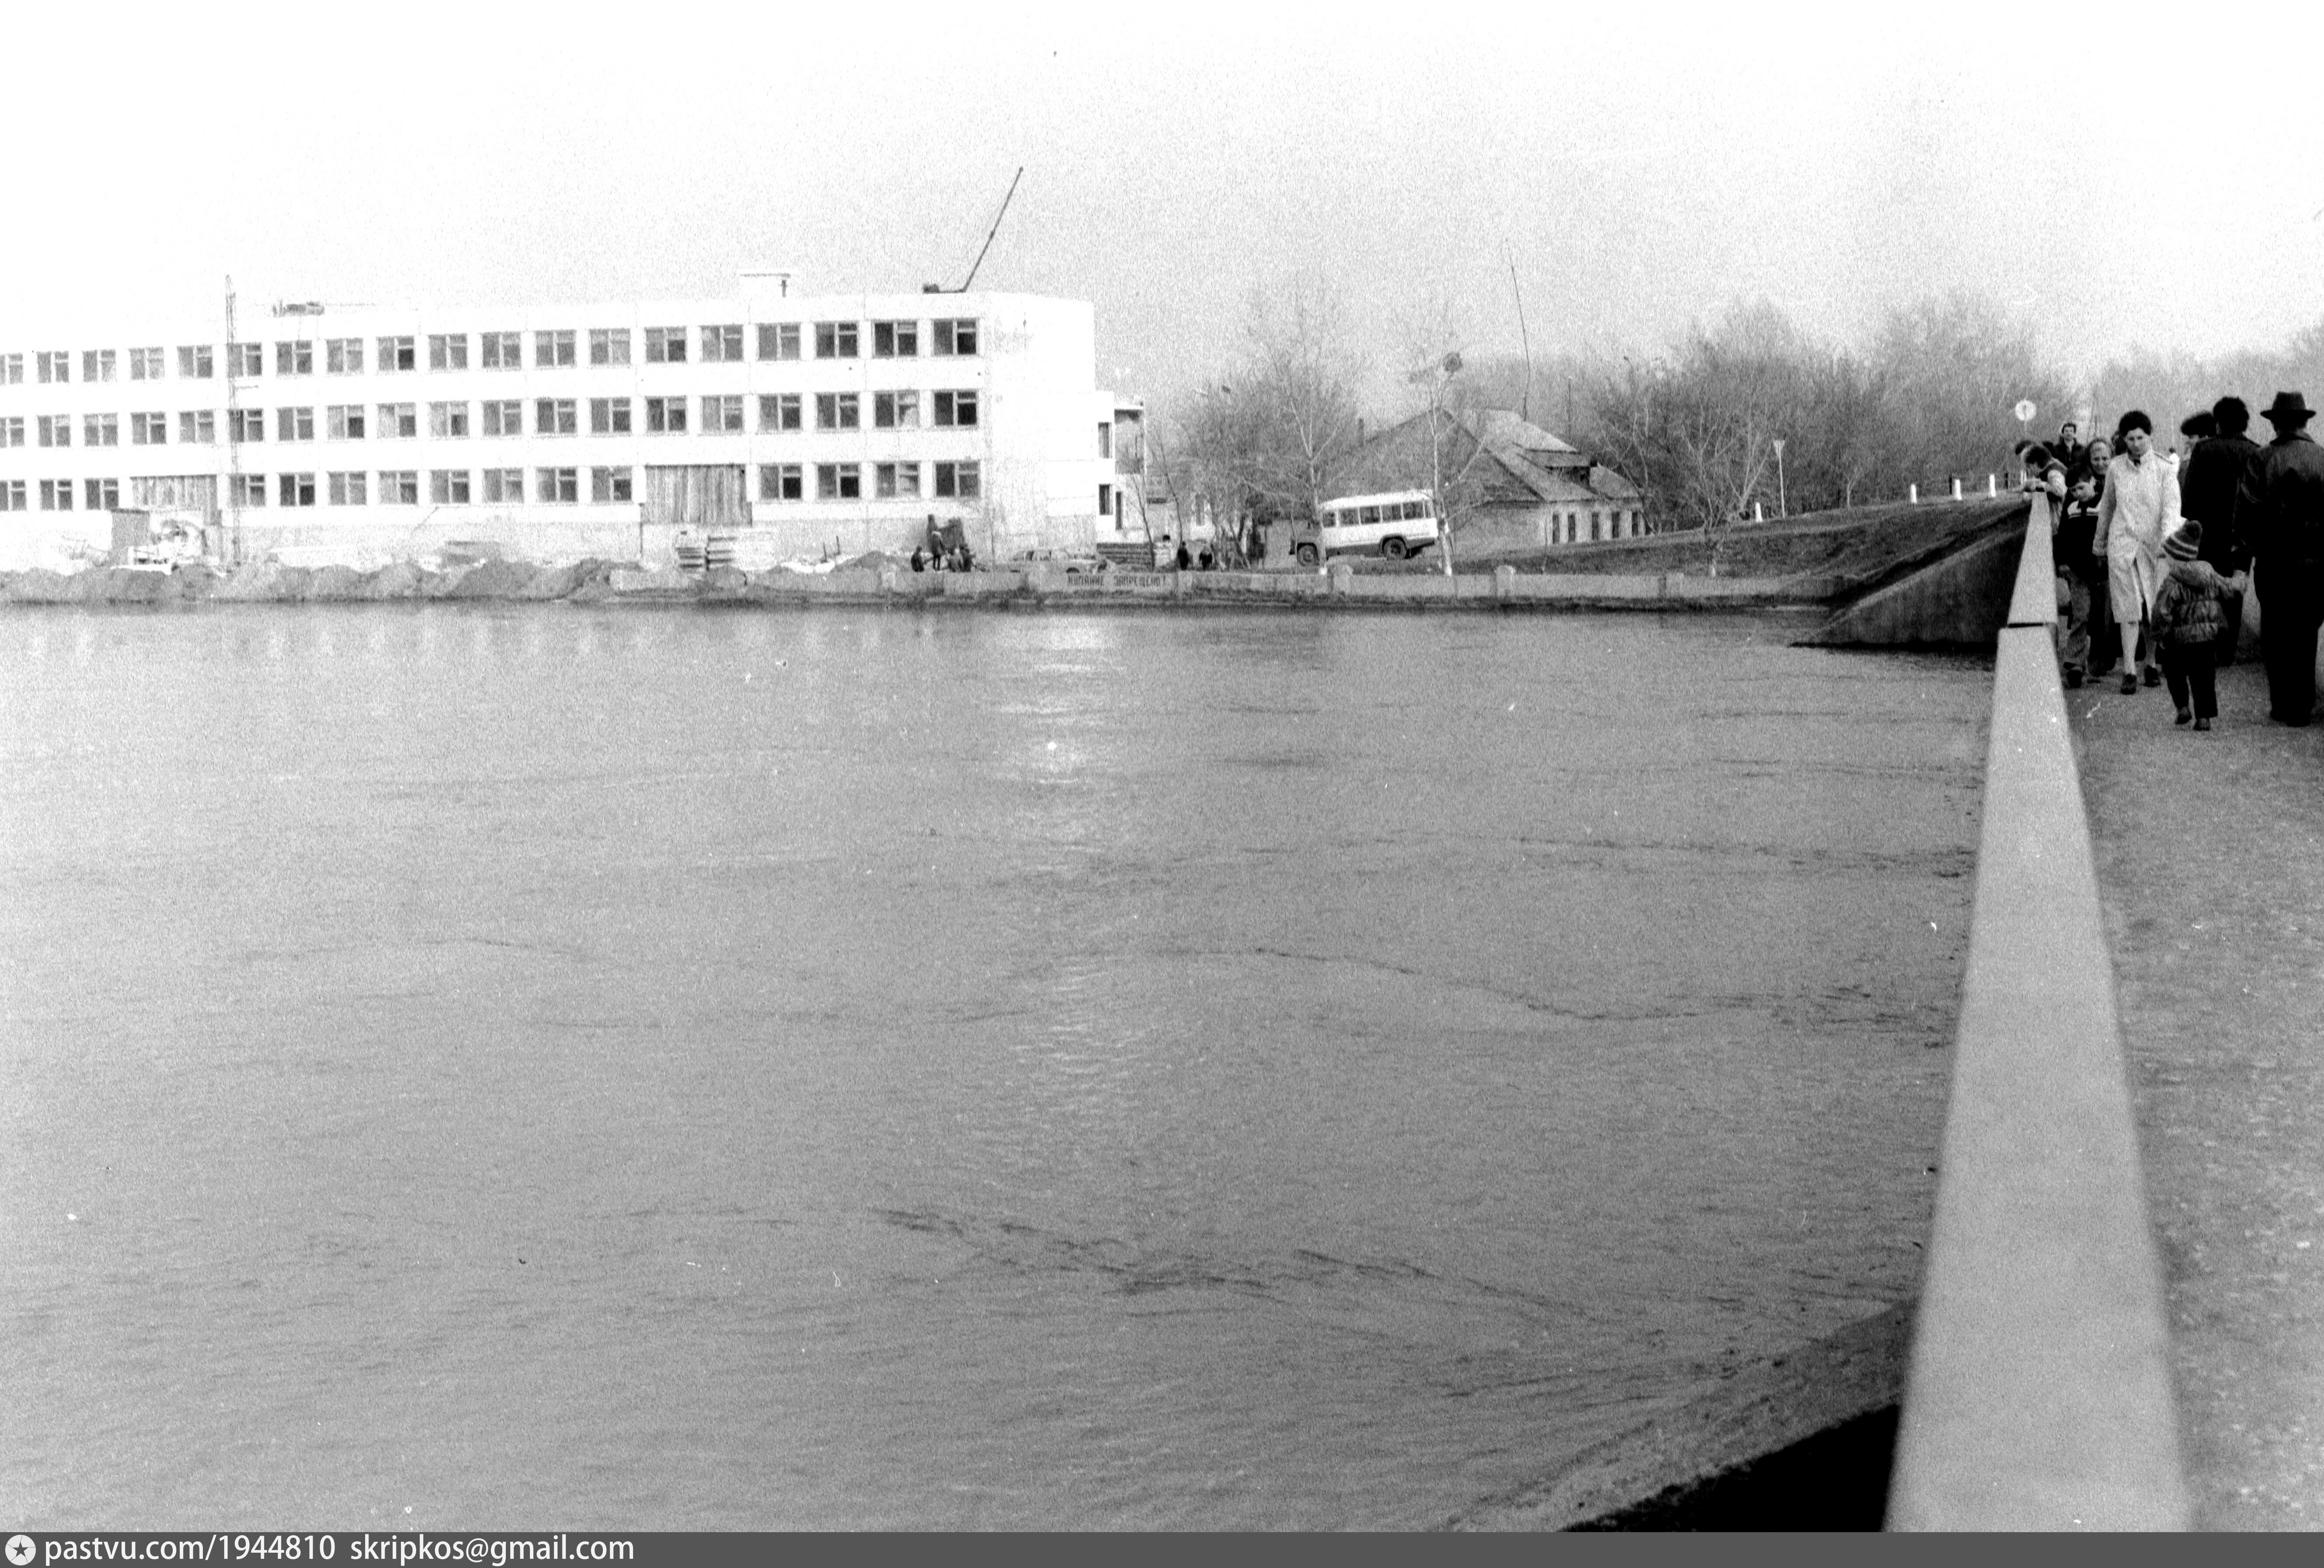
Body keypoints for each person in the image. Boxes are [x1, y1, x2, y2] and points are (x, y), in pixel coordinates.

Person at [2236, 391, 2324, 724]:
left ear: (2274, 423)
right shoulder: (2322, 458)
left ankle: (2282, 702)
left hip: (2274, 562)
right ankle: (2303, 705)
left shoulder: (2261, 459)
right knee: (2306, 632)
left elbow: (2244, 515)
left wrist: (2241, 564)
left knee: (2275, 631)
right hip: (2316, 563)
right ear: (2305, 421)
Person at [2097, 412, 2179, 693]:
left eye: (2140, 438)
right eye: (2129, 439)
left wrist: (2167, 543)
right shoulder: (2116, 468)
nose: (2135, 444)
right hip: (2123, 545)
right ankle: (2130, 669)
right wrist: (2099, 544)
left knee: (2152, 609)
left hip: (2154, 548)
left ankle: (2151, 663)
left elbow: (2171, 510)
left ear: (2150, 436)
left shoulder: (2165, 468)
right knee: (2128, 608)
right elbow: (2107, 507)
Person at [2178, 395, 2261, 666]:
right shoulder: (2256, 452)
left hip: (2209, 533)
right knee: (2235, 591)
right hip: (2243, 537)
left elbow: (2189, 501)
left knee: (2209, 589)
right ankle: (2228, 650)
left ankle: (2209, 646)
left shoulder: (2204, 450)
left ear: (2217, 422)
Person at [2150, 520, 2239, 730]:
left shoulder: (2173, 582)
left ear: (2175, 558)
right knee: (2205, 677)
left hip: (2179, 640)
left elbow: (2161, 611)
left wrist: (2159, 635)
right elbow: (2228, 589)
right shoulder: (2209, 573)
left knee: (2173, 671)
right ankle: (2204, 718)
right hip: (2207, 638)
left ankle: (2182, 707)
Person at [2054, 436, 2111, 686]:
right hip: (2079, 570)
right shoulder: (2072, 505)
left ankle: (2100, 659)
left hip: (2104, 569)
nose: (2100, 463)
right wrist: (2062, 561)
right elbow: (2063, 533)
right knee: (2080, 615)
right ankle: (2075, 662)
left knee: (2103, 618)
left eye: (2105, 458)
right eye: (2096, 458)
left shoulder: (2106, 500)